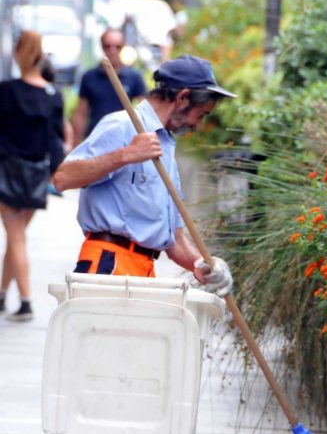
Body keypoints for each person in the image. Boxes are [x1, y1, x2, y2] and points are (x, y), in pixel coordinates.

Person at [54, 55, 235, 296]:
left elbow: (175, 238)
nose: (198, 126)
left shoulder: (164, 146)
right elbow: (63, 178)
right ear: (182, 98)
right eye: (201, 115)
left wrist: (201, 264)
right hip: (108, 265)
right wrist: (126, 154)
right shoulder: (122, 125)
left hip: (145, 271)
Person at [0, 31, 65, 322]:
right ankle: (2, 296)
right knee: (18, 238)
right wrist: (57, 173)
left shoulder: (7, 90)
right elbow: (56, 140)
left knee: (16, 239)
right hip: (37, 172)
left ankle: (26, 301)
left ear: (18, 53)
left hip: (7, 169)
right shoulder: (53, 95)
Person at [71, 28, 146, 146]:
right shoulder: (89, 76)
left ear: (123, 47)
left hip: (124, 141)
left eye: (118, 47)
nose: (113, 51)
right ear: (102, 47)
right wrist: (75, 145)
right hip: (96, 139)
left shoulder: (134, 77)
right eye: (108, 46)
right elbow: (81, 113)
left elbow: (145, 111)